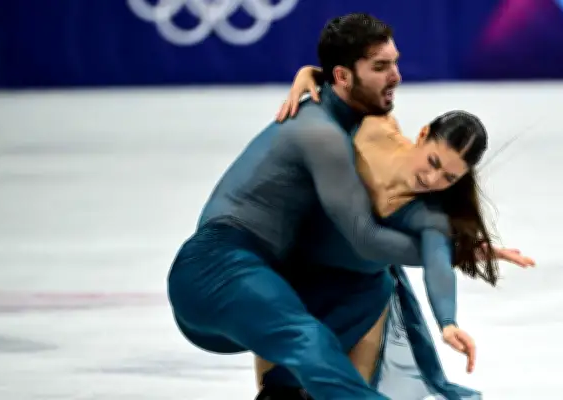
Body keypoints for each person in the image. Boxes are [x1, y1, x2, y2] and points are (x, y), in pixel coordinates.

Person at [168, 13, 526, 400]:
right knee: (309, 335)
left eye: (395, 63)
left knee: (371, 284)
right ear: (343, 76)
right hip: (214, 268)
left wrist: (311, 73)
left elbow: (374, 248)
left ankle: (283, 393)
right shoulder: (322, 134)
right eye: (381, 66)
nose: (396, 76)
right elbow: (365, 238)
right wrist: (458, 250)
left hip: (265, 276)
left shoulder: (364, 124)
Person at [252, 71, 535, 399]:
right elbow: (346, 79)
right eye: (432, 162)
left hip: (357, 289)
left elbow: (437, 261)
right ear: (424, 134)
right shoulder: (376, 128)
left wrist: (448, 322)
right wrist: (309, 75)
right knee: (277, 391)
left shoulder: (427, 215)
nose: (431, 179)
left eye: (448, 177)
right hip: (294, 261)